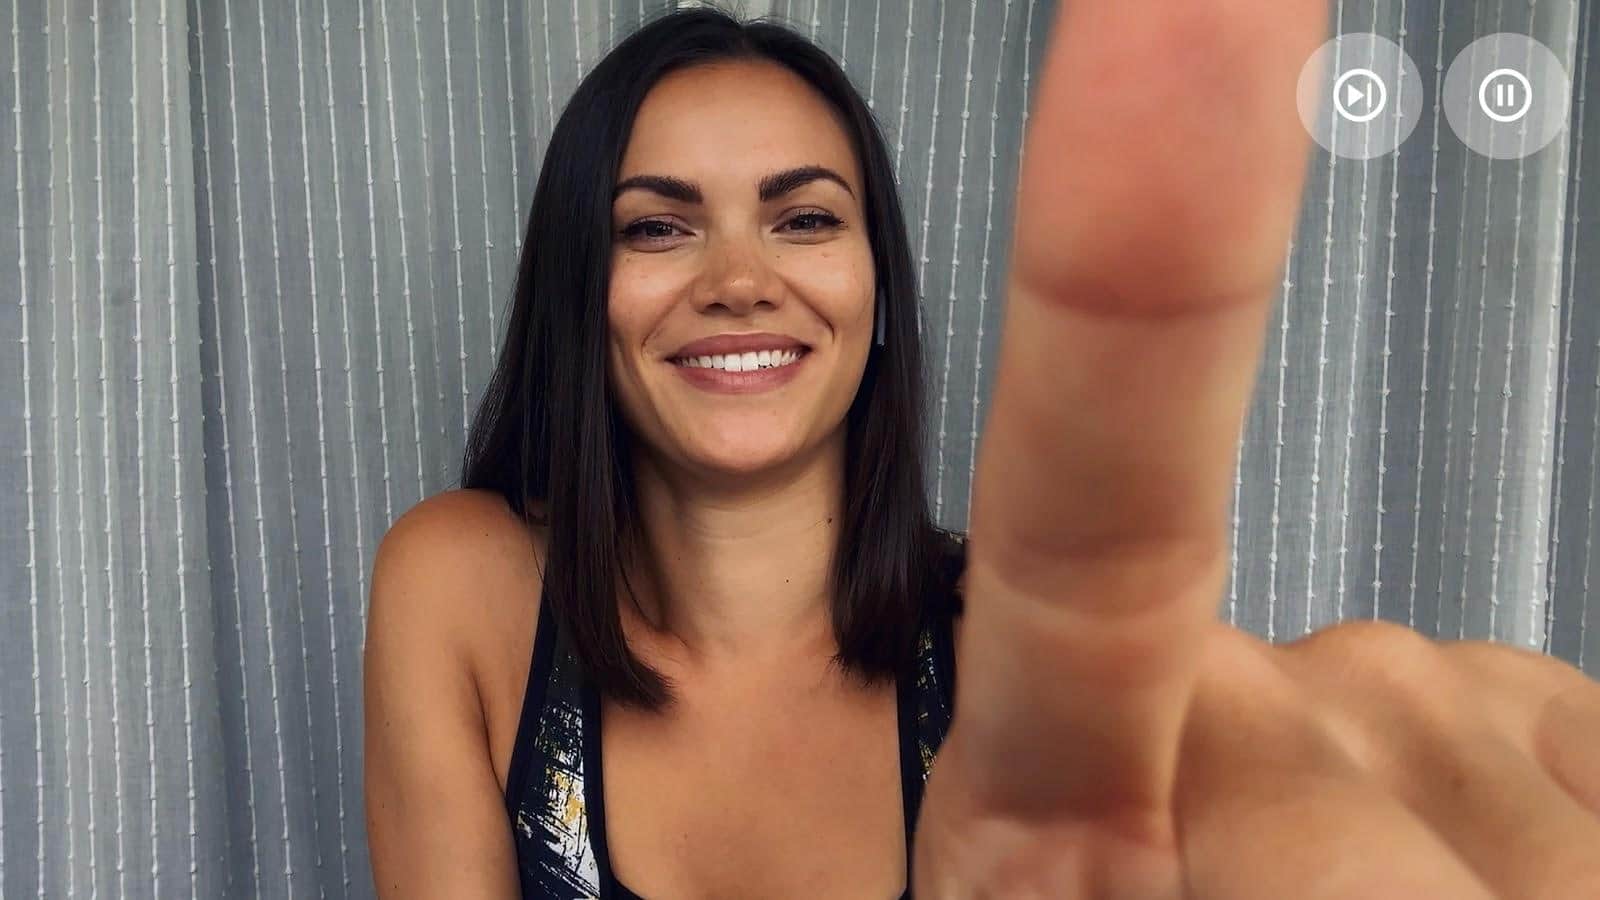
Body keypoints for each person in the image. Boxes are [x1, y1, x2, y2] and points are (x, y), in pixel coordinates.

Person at [363, 3, 1600, 898]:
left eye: (804, 219)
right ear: (579, 292)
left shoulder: (1007, 667)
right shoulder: (464, 588)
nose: (739, 279)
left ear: (877, 297)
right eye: (656, 228)